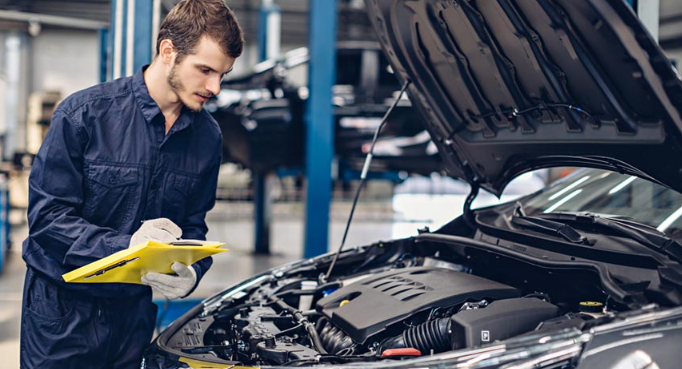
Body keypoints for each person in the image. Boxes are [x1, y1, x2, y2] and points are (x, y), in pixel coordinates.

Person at [20, 1, 243, 368]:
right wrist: (125, 246)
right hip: (62, 317)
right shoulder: (84, 115)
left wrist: (191, 272)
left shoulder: (207, 137)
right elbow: (48, 219)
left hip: (133, 316)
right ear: (168, 51)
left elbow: (193, 226)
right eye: (205, 70)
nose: (215, 87)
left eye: (223, 74)